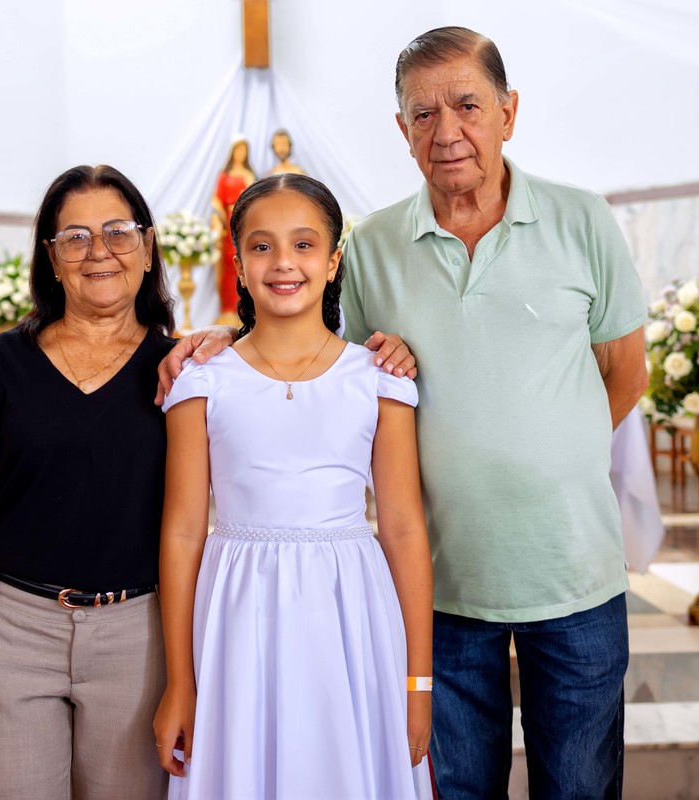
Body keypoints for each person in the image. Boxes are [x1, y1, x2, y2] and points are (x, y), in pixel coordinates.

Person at [160, 25, 649, 800]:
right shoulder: (375, 246)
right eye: (424, 113)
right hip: (438, 585)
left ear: (508, 111)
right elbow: (323, 362)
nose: (446, 130)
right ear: (402, 130)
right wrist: (225, 337)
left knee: (580, 787)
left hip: (572, 572)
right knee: (457, 789)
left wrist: (547, 455)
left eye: (467, 105)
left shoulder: (582, 220)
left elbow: (625, 371)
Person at [153, 174, 434, 799]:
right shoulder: (202, 381)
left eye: (304, 244)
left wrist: (418, 684)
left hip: (350, 611)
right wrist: (180, 681)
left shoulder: (379, 379)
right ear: (238, 264)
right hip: (236, 611)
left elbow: (404, 528)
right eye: (262, 246)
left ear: (334, 261)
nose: (284, 262)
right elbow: (182, 532)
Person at [0, 164, 177, 799]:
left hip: (139, 638)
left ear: (147, 247)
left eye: (118, 232)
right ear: (51, 259)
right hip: (11, 635)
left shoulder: (182, 369)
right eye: (75, 237)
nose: (99, 252)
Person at [210, 137, 257, 325]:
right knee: (229, 263)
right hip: (228, 222)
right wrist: (219, 220)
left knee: (244, 261)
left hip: (243, 221)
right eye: (238, 150)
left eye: (244, 150)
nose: (240, 154)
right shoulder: (225, 175)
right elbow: (217, 201)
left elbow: (253, 199)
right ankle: (227, 309)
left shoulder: (249, 175)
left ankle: (244, 307)